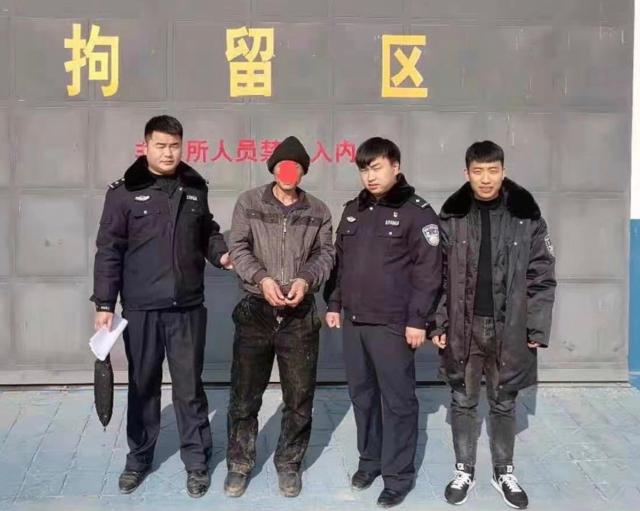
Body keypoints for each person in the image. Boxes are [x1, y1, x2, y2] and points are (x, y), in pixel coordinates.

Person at [91, 115, 232, 498]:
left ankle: (197, 461)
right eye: (161, 146)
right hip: (142, 309)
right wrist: (105, 302)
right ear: (146, 146)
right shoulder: (123, 192)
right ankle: (138, 458)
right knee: (143, 386)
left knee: (189, 388)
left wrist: (221, 255)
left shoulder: (194, 187)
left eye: (174, 146)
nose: (168, 153)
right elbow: (109, 250)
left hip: (187, 307)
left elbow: (207, 232)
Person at [431, 140, 556, 509]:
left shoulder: (526, 217)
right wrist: (438, 323)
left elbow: (542, 276)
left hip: (510, 327)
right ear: (467, 173)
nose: (485, 179)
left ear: (503, 171)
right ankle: (464, 470)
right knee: (463, 399)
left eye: (492, 171)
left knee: (504, 401)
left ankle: (504, 472)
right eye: (478, 171)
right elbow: (436, 277)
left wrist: (536, 328)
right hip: (463, 326)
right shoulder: (451, 217)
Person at [324, 137, 442, 508]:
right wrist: (334, 302)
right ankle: (370, 460)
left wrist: (418, 320)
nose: (370, 176)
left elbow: (429, 273)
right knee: (362, 397)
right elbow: (340, 263)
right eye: (364, 169)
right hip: (355, 323)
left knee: (398, 402)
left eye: (376, 167)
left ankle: (398, 476)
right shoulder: (353, 210)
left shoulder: (417, 213)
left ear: (395, 166)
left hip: (393, 326)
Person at [224, 136, 334, 498]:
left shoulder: (318, 211)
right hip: (256, 310)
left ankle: (289, 463)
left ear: (302, 172)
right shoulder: (249, 203)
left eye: (296, 167)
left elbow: (325, 254)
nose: (289, 172)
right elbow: (238, 246)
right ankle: (239, 463)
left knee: (299, 397)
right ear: (273, 169)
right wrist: (262, 278)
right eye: (283, 166)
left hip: (299, 314)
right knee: (245, 395)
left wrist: (305, 280)